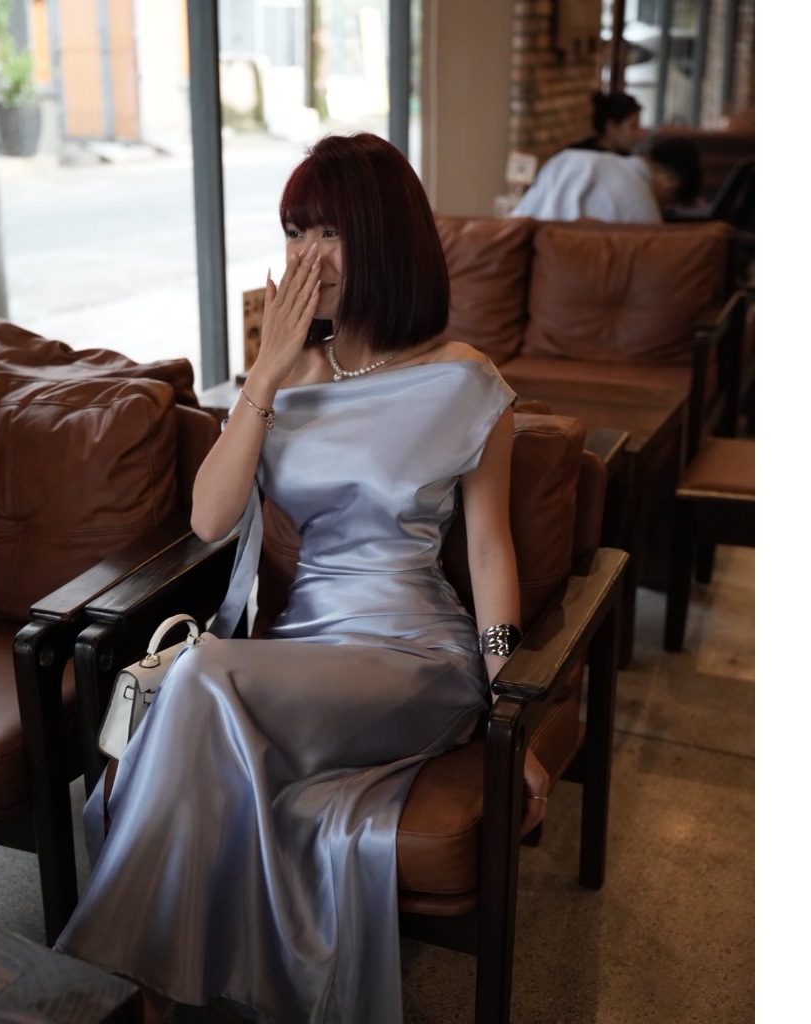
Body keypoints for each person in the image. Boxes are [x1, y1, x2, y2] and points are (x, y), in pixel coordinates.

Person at [54, 132, 551, 1024]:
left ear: (384, 239)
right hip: (303, 648)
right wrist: (266, 373)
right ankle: (146, 989)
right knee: (203, 688)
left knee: (201, 678)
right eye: (293, 232)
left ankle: (116, 990)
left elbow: (489, 552)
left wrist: (515, 706)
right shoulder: (289, 377)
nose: (305, 257)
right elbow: (210, 520)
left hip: (414, 653)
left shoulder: (465, 382)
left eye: (329, 232)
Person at [510, 136, 702, 223]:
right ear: (669, 182)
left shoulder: (569, 157)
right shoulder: (647, 213)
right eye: (669, 203)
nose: (662, 207)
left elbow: (518, 220)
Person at [568, 90, 645, 155]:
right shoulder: (577, 156)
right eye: (633, 126)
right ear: (611, 127)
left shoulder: (628, 159)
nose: (639, 133)